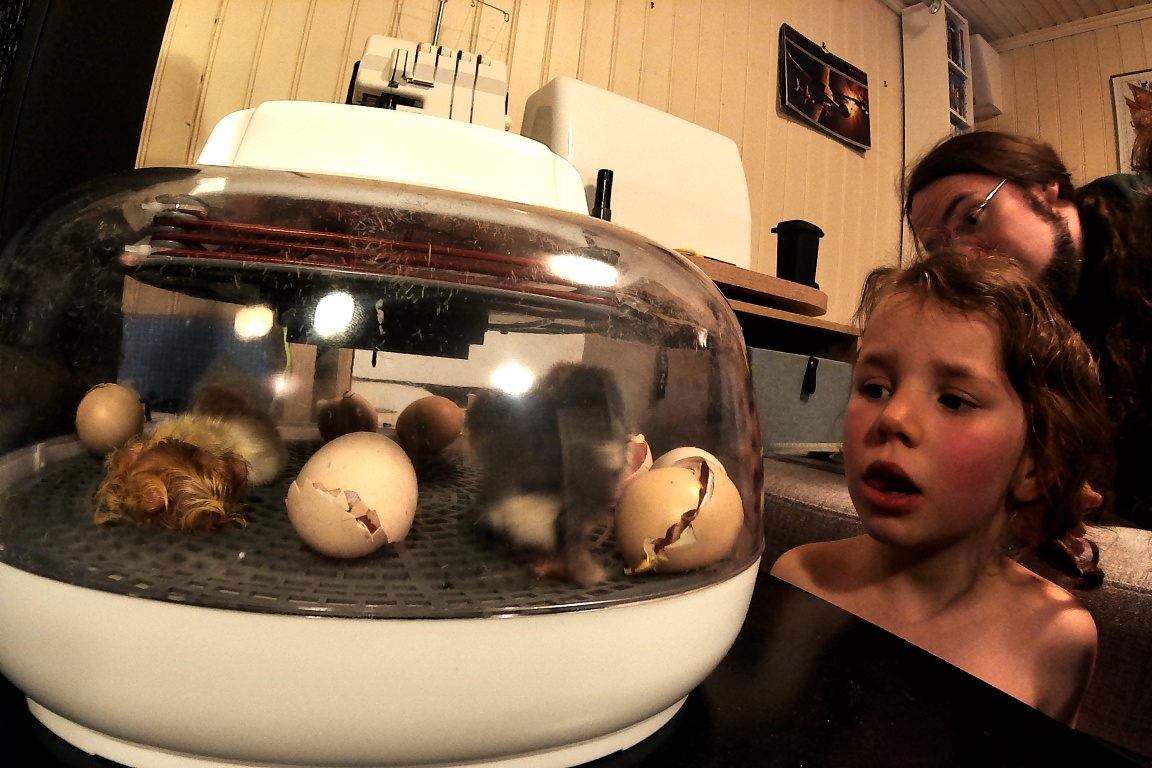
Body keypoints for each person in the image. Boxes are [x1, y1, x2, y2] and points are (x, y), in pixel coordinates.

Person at [771, 251, 1113, 726]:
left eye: (953, 400)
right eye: (875, 388)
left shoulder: (1059, 638)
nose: (893, 417)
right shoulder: (800, 579)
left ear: (1035, 468)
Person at [903, 130, 1152, 527]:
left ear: (1045, 189)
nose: (966, 260)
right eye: (942, 250)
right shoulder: (1012, 322)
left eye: (972, 218)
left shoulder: (1141, 225)